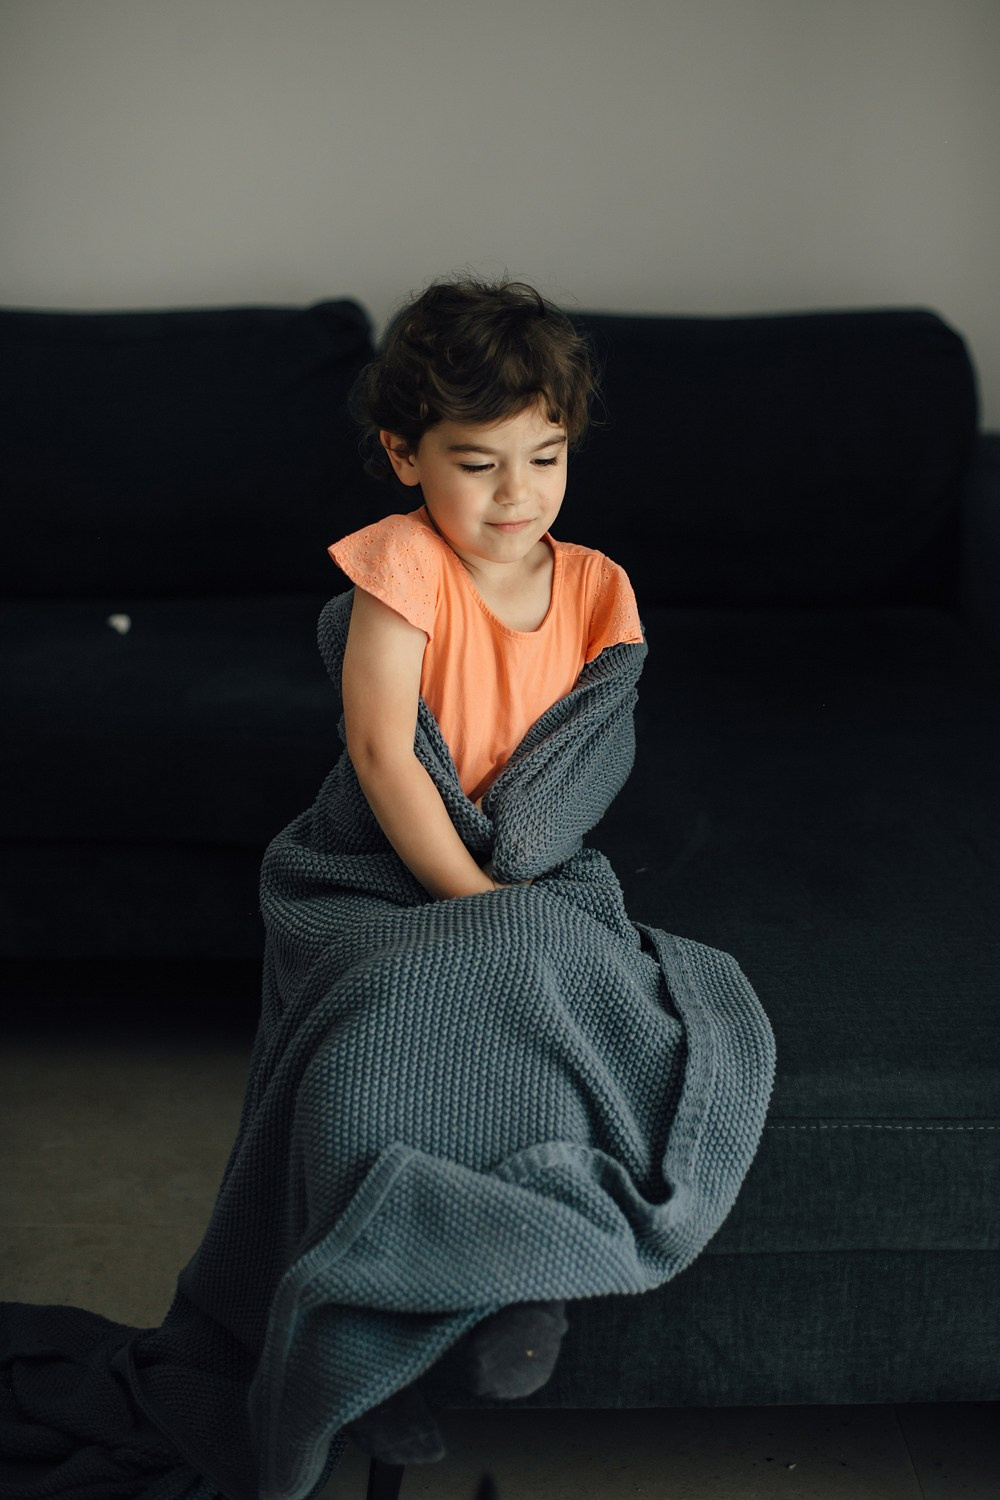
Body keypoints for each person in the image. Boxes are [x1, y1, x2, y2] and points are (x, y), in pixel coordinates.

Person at [328, 276, 646, 1461]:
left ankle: (517, 1283)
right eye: (478, 464)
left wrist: (516, 881)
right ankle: (376, 1334)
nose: (518, 496)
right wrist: (472, 901)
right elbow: (379, 748)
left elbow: (585, 753)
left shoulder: (597, 588)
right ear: (405, 457)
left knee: (584, 1021)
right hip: (392, 859)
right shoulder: (403, 568)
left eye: (545, 457)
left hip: (531, 864)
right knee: (383, 1042)